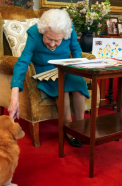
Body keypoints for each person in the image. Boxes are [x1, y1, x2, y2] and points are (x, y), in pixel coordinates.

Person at [8, 9, 89, 148]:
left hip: (65, 67)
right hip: (44, 69)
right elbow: (22, 62)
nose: (52, 44)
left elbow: (76, 50)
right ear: (43, 31)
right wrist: (14, 94)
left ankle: (79, 127)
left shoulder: (69, 30)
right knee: (61, 88)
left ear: (64, 35)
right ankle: (68, 129)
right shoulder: (34, 33)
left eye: (57, 40)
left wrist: (78, 68)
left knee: (79, 85)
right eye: (48, 39)